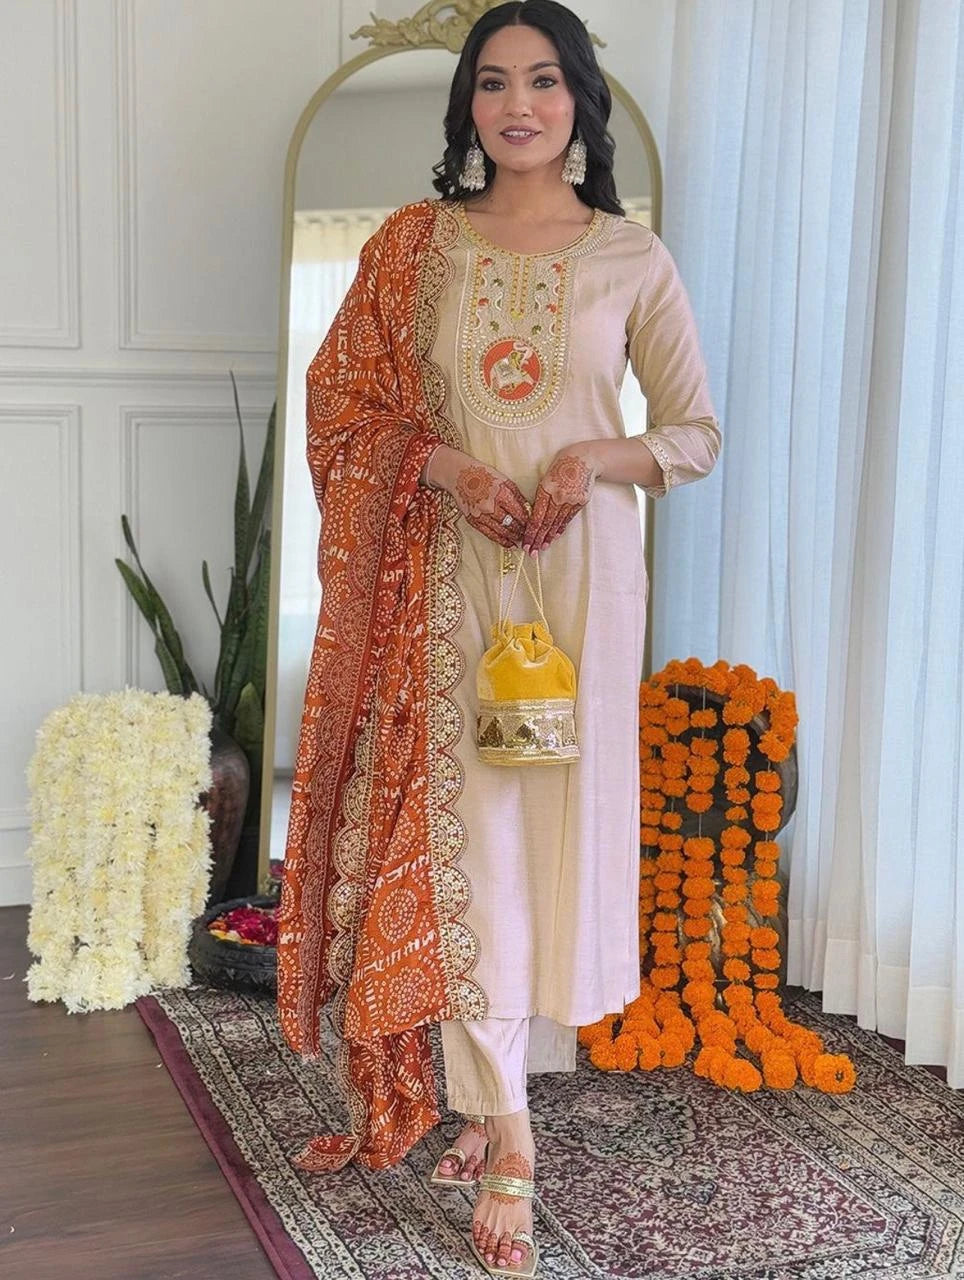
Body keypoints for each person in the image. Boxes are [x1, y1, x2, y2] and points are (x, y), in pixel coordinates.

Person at [277, 1, 721, 1275]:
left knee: (546, 831)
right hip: (446, 577)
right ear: (466, 108)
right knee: (461, 837)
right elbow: (344, 404)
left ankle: (489, 1091)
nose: (515, 105)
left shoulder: (632, 257)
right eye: (490, 85)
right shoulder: (419, 245)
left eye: (541, 81)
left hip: (581, 585)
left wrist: (597, 454)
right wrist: (442, 469)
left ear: (579, 98)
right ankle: (510, 1129)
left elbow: (693, 434)